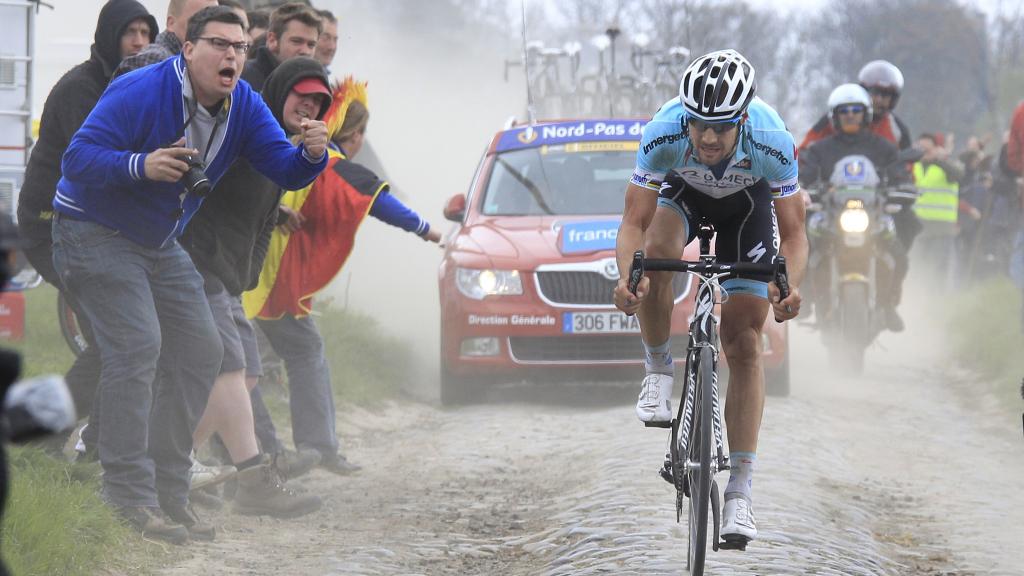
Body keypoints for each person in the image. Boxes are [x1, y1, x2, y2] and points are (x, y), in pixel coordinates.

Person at [51, 6, 328, 544]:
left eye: (240, 47)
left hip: (156, 241)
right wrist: (141, 164)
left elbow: (286, 168)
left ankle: (171, 494)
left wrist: (311, 154)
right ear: (188, 49)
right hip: (90, 230)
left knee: (204, 350)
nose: (231, 55)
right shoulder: (142, 89)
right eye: (219, 44)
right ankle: (128, 495)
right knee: (137, 346)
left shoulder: (243, 102)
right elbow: (76, 159)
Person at [612, 49, 805, 547]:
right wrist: (629, 278)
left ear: (743, 118)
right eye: (699, 125)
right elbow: (633, 223)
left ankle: (739, 491)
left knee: (742, 342)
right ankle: (657, 369)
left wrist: (789, 286)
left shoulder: (772, 141)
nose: (709, 138)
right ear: (686, 117)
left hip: (748, 209)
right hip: (682, 196)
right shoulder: (664, 132)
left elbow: (795, 235)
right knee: (654, 256)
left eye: (721, 127)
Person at [243, 78, 441, 475]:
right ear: (355, 135)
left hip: (258, 276)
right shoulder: (332, 165)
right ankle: (284, 451)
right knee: (250, 366)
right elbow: (381, 204)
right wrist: (429, 231)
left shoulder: (292, 149)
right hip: (268, 282)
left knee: (249, 364)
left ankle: (283, 451)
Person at [181, 57, 333, 518]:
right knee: (230, 367)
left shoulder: (282, 151)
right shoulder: (247, 131)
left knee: (245, 373)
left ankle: (174, 462)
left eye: (317, 102)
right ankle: (251, 478)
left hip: (226, 276)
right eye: (300, 96)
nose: (307, 106)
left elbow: (266, 218)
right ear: (280, 92)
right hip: (197, 261)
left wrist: (244, 274)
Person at [17, 0, 157, 453]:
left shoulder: (133, 86)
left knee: (113, 342)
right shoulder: (83, 87)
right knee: (113, 341)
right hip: (50, 225)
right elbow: (94, 167)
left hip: (94, 226)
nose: (139, 42)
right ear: (108, 36)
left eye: (145, 33)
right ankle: (55, 435)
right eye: (129, 33)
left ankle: (73, 439)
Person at [799, 83, 910, 331]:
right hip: (830, 215)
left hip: (873, 214)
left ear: (866, 114)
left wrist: (903, 187)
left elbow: (900, 174)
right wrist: (803, 189)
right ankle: (804, 300)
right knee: (802, 250)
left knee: (899, 256)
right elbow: (804, 177)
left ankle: (888, 305)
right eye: (844, 110)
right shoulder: (819, 149)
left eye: (856, 110)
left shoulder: (884, 147)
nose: (850, 115)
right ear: (834, 116)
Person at [799, 60, 913, 152]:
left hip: (881, 179)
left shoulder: (897, 129)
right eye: (874, 93)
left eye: (885, 96)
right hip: (833, 178)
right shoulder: (836, 117)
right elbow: (806, 148)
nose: (879, 100)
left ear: (893, 99)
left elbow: (907, 167)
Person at [114, 0, 217, 77]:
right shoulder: (156, 60)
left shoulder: (194, 62)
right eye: (200, 20)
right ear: (171, 23)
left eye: (215, 22)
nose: (211, 30)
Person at [912, 133, 963, 287]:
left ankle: (937, 299)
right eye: (921, 148)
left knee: (939, 266)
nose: (924, 152)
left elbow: (958, 175)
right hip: (918, 227)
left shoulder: (946, 166)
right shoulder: (913, 167)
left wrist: (938, 160)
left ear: (936, 149)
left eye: (928, 149)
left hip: (942, 227)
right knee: (916, 265)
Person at [241, 2, 320, 91]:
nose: (306, 51)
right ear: (272, 40)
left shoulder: (316, 86)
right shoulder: (243, 79)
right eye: (296, 41)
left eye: (311, 45)